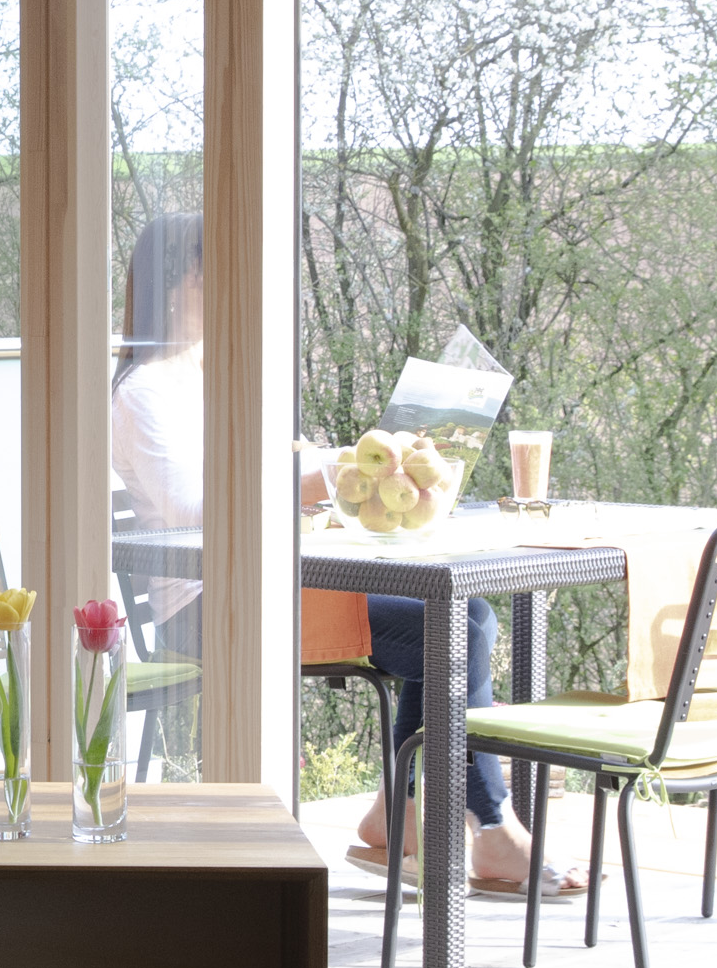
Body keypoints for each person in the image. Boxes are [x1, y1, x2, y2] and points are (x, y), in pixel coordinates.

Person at [103, 214, 571, 895]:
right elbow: (188, 509)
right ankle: (481, 824)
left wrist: (363, 460)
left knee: (464, 616)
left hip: (275, 584)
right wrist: (322, 479)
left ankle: (407, 814)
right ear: (179, 283)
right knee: (456, 627)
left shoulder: (214, 377)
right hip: (211, 604)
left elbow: (280, 467)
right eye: (221, 273)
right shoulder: (143, 391)